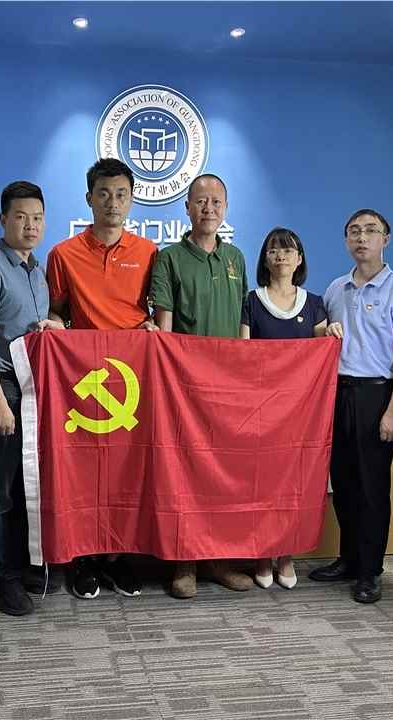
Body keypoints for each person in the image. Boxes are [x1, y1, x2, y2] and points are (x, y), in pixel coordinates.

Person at [45, 158, 156, 600]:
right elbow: (56, 312)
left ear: (132, 200)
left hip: (134, 380)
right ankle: (84, 558)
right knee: (86, 471)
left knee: (127, 469)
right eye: (104, 194)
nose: (113, 203)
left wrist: (151, 328)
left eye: (121, 194)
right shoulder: (63, 254)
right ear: (89, 198)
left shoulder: (149, 253)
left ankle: (120, 556)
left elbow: (155, 313)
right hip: (84, 380)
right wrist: (55, 327)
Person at [310, 209, 393, 604]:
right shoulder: (335, 289)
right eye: (354, 232)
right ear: (346, 240)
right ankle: (349, 559)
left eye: (371, 231)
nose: (362, 238)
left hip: (377, 395)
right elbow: (323, 341)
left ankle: (371, 571)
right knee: (342, 483)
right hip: (337, 394)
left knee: (372, 486)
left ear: (385, 239)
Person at [150, 173, 253, 599]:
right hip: (184, 387)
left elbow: (245, 321)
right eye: (200, 201)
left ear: (225, 209)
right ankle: (184, 563)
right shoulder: (169, 258)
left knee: (221, 477)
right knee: (184, 477)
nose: (209, 208)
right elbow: (164, 328)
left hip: (227, 389)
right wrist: (173, 379)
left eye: (216, 201)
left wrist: (243, 374)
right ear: (187, 207)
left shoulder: (236, 258)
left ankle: (218, 560)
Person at [0, 181, 64, 616]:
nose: (30, 225)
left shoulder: (36, 270)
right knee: (1, 487)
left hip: (34, 387)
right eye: (21, 217)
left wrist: (53, 327)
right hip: (5, 386)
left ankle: (25, 564)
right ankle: (1, 577)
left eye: (37, 218)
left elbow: (33, 326)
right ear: (3, 219)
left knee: (29, 481)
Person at [239, 227, 343, 590]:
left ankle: (286, 554)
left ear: (299, 259)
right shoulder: (251, 301)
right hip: (261, 411)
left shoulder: (314, 303)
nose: (280, 255)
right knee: (261, 484)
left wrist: (332, 334)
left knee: (293, 485)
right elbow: (243, 355)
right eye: (273, 250)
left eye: (288, 250)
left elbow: (320, 355)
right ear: (264, 259)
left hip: (301, 414)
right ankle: (262, 553)